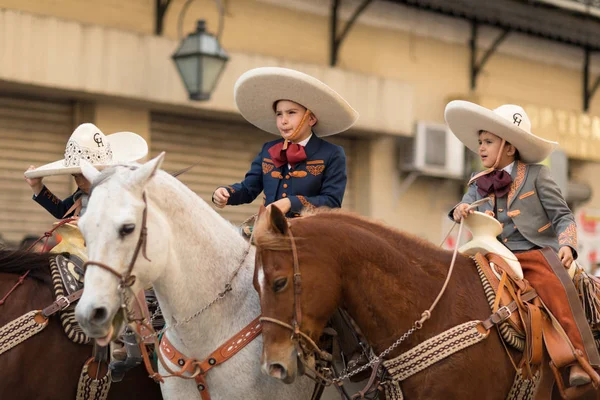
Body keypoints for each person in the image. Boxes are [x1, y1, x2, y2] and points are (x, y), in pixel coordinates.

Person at [446, 100, 600, 387]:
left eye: (488, 141)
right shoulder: (477, 181)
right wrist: (460, 210)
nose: (480, 147)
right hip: (490, 252)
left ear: (509, 147)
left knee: (553, 286)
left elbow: (564, 217)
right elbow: (464, 204)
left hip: (532, 252)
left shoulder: (537, 175)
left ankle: (576, 358)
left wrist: (567, 245)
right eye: (480, 141)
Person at [212, 67, 359, 218]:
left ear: (311, 119)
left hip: (309, 235)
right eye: (279, 114)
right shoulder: (268, 149)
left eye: (291, 113)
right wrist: (226, 193)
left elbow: (331, 202)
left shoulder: (332, 153)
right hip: (268, 230)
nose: (284, 121)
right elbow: (249, 189)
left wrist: (290, 202)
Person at [24, 123, 148, 219]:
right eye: (76, 176)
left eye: (85, 175)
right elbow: (62, 211)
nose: (81, 182)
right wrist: (37, 186)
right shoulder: (81, 196)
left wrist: (85, 226)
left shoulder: (123, 195)